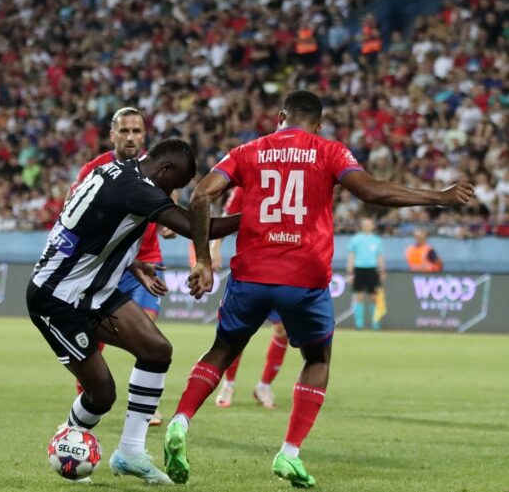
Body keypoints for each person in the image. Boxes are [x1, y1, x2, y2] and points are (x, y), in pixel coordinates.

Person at [163, 91, 474, 488]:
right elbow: (371, 191)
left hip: (251, 274)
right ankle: (289, 452)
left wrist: (204, 261)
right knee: (316, 358)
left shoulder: (247, 151)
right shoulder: (329, 151)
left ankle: (180, 421)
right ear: (319, 124)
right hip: (304, 279)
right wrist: (438, 197)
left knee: (222, 350)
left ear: (280, 116)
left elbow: (202, 195)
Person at [28, 139, 240, 484]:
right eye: (175, 184)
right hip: (58, 298)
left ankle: (130, 452)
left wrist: (131, 262)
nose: (171, 193)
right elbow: (199, 227)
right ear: (165, 169)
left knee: (157, 350)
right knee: (102, 395)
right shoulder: (140, 189)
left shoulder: (114, 170)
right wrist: (258, 217)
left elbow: (90, 228)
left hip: (93, 290)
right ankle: (69, 440)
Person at [67, 107, 173, 426]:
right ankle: (86, 403)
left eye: (136, 131)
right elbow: (71, 213)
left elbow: (168, 204)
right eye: (124, 131)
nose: (130, 137)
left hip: (146, 264)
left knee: (147, 338)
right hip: (103, 267)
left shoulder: (158, 170)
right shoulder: (94, 170)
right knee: (92, 343)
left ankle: (142, 408)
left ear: (144, 135)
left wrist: (168, 223)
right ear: (112, 135)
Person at [196, 187, 290, 409]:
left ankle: (264, 387)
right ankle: (228, 384)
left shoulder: (294, 180)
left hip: (283, 266)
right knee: (237, 330)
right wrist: (214, 247)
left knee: (282, 330)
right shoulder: (248, 183)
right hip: (251, 268)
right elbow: (227, 215)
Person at [346, 218, 386, 330]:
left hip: (372, 269)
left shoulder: (377, 240)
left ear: (373, 226)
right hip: (359, 268)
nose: (367, 226)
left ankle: (375, 323)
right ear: (361, 226)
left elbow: (380, 256)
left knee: (374, 296)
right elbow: (351, 255)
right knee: (359, 296)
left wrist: (382, 271)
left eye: (369, 224)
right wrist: (350, 272)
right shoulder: (355, 239)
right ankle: (359, 324)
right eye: (365, 224)